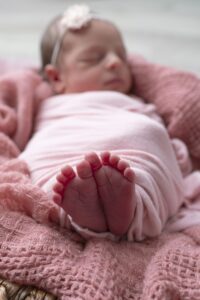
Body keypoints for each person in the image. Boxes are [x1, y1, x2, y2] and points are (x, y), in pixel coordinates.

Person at [19, 4, 188, 241]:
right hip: (63, 146)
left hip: (129, 155)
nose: (114, 62)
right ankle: (83, 203)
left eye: (121, 55)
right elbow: (23, 129)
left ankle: (127, 202)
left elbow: (160, 132)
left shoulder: (135, 101)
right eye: (94, 58)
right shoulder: (46, 104)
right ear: (57, 78)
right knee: (46, 168)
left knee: (147, 131)